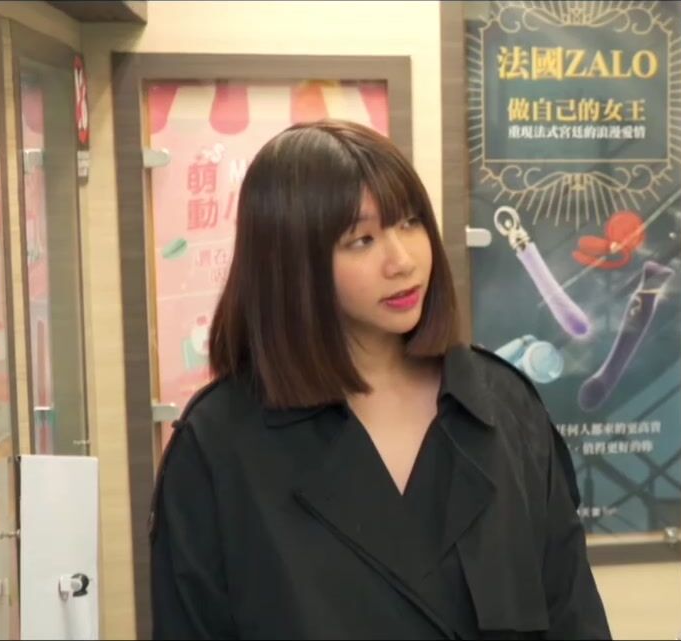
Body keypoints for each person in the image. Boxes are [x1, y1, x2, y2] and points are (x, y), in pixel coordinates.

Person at [150, 119, 611, 639]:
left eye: (410, 223)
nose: (402, 261)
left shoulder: (504, 405)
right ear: (291, 261)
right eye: (362, 240)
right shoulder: (218, 444)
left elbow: (573, 615)